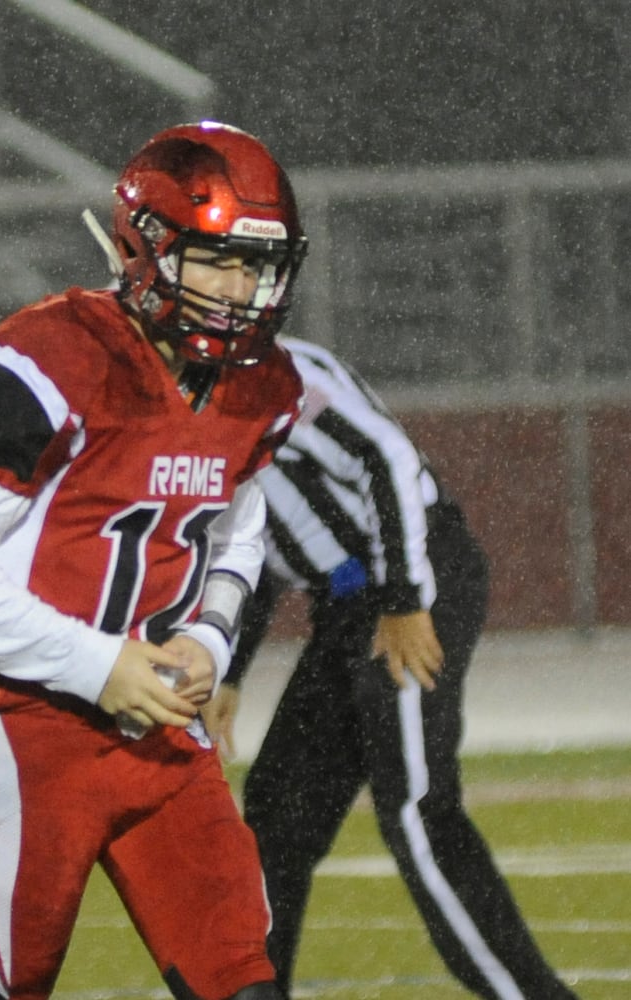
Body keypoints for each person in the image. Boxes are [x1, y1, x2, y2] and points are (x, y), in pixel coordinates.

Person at [0, 121, 308, 1000]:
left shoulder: (257, 386)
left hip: (162, 730)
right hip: (32, 731)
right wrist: (96, 662)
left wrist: (209, 632)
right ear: (149, 249)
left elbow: (235, 521)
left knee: (244, 983)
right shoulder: (61, 355)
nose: (242, 292)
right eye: (216, 261)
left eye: (256, 268)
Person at [204, 335, 581, 1000]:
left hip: (411, 576)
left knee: (415, 807)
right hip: (345, 605)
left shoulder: (268, 368)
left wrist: (405, 596)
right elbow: (253, 540)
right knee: (279, 814)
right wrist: (230, 670)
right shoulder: (190, 393)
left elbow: (386, 454)